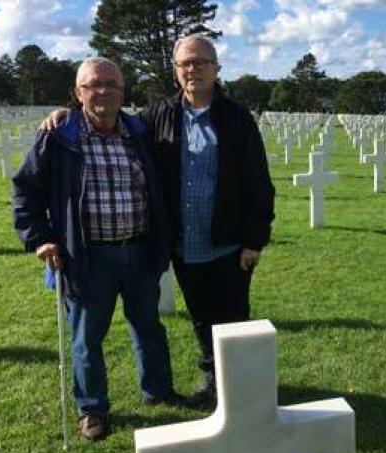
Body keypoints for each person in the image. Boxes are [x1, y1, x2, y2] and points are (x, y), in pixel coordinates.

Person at [42, 35, 275, 409]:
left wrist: (254, 239)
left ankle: (242, 383)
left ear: (216, 69)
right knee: (200, 317)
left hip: (229, 242)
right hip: (183, 242)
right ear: (176, 72)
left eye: (201, 62)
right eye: (186, 63)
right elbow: (106, 114)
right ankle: (215, 380)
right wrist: (67, 113)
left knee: (233, 316)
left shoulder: (237, 118)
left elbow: (258, 182)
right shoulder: (158, 116)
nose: (193, 69)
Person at [13, 57, 186, 441]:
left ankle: (158, 391)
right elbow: (25, 191)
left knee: (148, 327)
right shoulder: (58, 136)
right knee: (87, 336)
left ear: (123, 93)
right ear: (78, 93)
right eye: (94, 85)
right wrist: (39, 238)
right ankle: (92, 408)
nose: (104, 91)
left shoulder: (140, 132)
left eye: (112, 85)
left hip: (139, 250)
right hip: (86, 256)